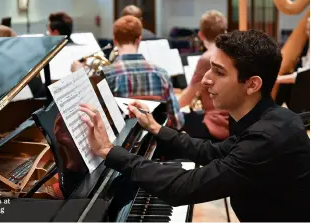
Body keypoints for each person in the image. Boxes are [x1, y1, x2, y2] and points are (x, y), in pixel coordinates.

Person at [79, 30, 310, 222]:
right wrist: (156, 128)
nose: (206, 79)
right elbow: (214, 151)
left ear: (252, 85)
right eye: (210, 67)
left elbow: (184, 187)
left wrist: (109, 151)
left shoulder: (268, 136)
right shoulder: (264, 118)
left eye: (219, 72)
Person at [73, 15, 184, 130]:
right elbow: (177, 121)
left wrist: (78, 75)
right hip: (156, 144)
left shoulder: (106, 74)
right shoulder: (161, 74)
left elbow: (94, 119)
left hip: (119, 145)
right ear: (139, 39)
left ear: (115, 40)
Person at [178, 10, 229, 141]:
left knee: (172, 125)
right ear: (225, 32)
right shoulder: (233, 53)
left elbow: (187, 99)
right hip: (235, 121)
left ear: (201, 35)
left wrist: (167, 109)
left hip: (218, 123)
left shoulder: (207, 58)